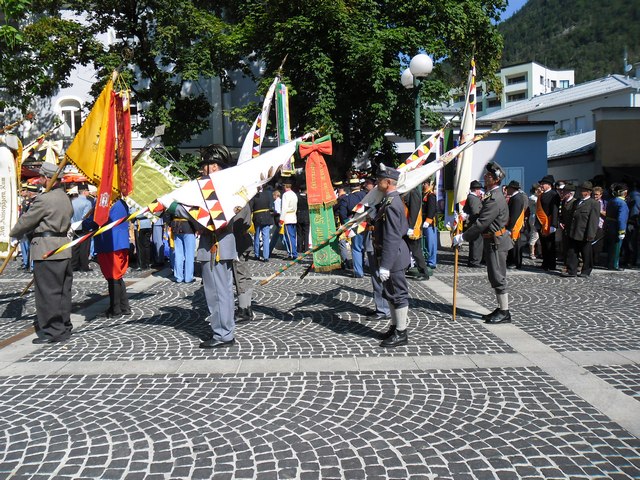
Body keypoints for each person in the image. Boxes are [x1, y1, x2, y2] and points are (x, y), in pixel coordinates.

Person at [9, 162, 74, 344]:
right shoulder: (64, 197)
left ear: (47, 178)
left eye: (42, 177)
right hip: (63, 248)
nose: (41, 180)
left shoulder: (44, 199)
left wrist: (13, 233)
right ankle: (63, 326)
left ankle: (53, 331)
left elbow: (27, 221)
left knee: (47, 292)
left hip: (47, 249)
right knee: (63, 291)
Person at [453, 161, 513, 324]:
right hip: (492, 240)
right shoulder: (491, 195)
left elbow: (482, 223)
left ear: (495, 179)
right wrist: (466, 217)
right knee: (494, 276)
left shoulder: (494, 198)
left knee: (498, 277)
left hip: (496, 242)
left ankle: (505, 311)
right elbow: (481, 215)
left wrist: (462, 237)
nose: (485, 177)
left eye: (489, 175)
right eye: (486, 174)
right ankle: (501, 308)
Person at [195, 144, 237, 349]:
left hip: (216, 246)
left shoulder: (220, 189)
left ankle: (223, 334)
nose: (204, 169)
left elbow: (212, 218)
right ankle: (225, 331)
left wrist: (178, 207)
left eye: (208, 165)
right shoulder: (221, 187)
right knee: (222, 292)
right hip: (217, 245)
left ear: (216, 167)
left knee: (217, 293)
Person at [373, 164, 412, 347]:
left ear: (388, 182)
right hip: (390, 254)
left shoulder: (392, 203)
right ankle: (395, 326)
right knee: (390, 293)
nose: (376, 182)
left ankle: (401, 333)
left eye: (379, 179)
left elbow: (393, 236)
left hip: (393, 256)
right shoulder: (388, 201)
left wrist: (385, 265)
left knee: (398, 294)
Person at [84, 198, 131, 318]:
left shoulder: (104, 200)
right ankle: (124, 306)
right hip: (121, 241)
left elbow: (96, 221)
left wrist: (84, 222)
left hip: (109, 243)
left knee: (112, 276)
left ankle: (115, 309)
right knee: (118, 275)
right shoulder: (121, 202)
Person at [363, 177, 390, 320]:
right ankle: (381, 307)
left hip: (377, 243)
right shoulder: (377, 202)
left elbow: (372, 218)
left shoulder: (383, 203)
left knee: (378, 278)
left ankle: (383, 310)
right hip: (373, 241)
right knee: (375, 278)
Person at [564, 181, 599, 277]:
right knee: (572, 252)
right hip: (574, 231)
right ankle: (572, 271)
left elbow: (593, 220)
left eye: (582, 190)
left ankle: (586, 271)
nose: (580, 192)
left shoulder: (593, 203)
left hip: (584, 232)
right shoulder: (576, 202)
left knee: (586, 254)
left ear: (588, 192)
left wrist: (591, 234)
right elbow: (572, 216)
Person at [233, 203, 255, 323]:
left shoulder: (239, 203)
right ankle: (248, 307)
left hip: (239, 243)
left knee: (240, 276)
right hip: (244, 242)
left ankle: (243, 309)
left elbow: (237, 225)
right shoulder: (245, 202)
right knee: (245, 275)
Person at [535, 174, 560, 271]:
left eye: (543, 183)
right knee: (543, 244)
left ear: (549, 185)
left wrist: (553, 224)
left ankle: (551, 264)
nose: (541, 185)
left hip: (548, 223)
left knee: (550, 245)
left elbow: (555, 210)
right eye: (541, 183)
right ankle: (545, 263)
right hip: (541, 223)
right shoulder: (541, 195)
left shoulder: (554, 195)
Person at [345, 177, 367, 278]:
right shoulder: (366, 195)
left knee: (356, 248)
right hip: (368, 224)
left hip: (356, 225)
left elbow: (343, 213)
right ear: (359, 185)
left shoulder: (348, 198)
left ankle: (359, 271)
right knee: (367, 248)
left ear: (350, 187)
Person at [605, 183, 629, 271]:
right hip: (616, 227)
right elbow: (621, 218)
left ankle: (609, 263)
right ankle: (614, 265)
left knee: (611, 247)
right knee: (616, 248)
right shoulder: (622, 203)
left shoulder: (612, 200)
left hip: (610, 226)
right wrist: (622, 231)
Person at [70, 184, 93, 272]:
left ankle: (74, 265)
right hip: (83, 226)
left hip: (74, 226)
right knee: (84, 247)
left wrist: (73, 224)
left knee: (75, 246)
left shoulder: (73, 201)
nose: (89, 193)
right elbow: (86, 216)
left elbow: (70, 214)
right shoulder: (87, 202)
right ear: (84, 192)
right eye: (88, 191)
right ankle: (84, 266)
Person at [169, 211, 196, 283]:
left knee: (178, 254)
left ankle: (178, 277)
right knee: (189, 254)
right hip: (188, 226)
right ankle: (188, 278)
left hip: (175, 226)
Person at [506, 180, 527, 270]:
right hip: (513, 225)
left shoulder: (517, 198)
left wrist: (510, 228)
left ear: (512, 189)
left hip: (515, 226)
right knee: (512, 245)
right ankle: (511, 261)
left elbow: (514, 214)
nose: (507, 190)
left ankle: (515, 262)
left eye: (508, 188)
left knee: (515, 246)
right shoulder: (515, 197)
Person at [464, 180, 484, 268]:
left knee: (476, 242)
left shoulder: (473, 198)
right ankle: (474, 261)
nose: (480, 191)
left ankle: (474, 260)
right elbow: (476, 212)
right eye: (479, 189)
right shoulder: (473, 198)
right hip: (475, 223)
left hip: (473, 222)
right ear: (476, 189)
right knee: (476, 243)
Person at [251, 186, 274, 261]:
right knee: (266, 237)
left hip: (257, 218)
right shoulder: (268, 195)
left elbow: (251, 207)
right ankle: (266, 256)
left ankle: (257, 254)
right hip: (266, 217)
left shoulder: (254, 196)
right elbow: (271, 206)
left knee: (257, 237)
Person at [421, 178, 438, 270]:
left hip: (429, 223)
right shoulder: (423, 194)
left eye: (425, 183)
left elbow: (432, 209)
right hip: (422, 221)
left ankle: (432, 261)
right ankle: (427, 259)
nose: (423, 185)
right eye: (423, 183)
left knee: (431, 243)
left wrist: (428, 221)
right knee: (425, 242)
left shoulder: (430, 195)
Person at [281, 181, 298, 259]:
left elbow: (284, 207)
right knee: (293, 236)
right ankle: (294, 252)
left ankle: (292, 254)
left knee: (289, 237)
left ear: (285, 186)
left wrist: (281, 219)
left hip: (287, 217)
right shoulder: (294, 194)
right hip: (293, 216)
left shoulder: (285, 195)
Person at [591, 186, 607, 267]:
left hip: (600, 226)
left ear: (601, 195)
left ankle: (596, 259)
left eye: (597, 194)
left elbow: (607, 214)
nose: (595, 196)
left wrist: (600, 211)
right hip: (591, 226)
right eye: (594, 194)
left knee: (598, 245)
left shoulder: (604, 203)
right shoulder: (590, 202)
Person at [527, 183, 541, 259]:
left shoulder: (536, 197)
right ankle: (531, 253)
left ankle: (540, 252)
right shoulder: (532, 198)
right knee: (534, 234)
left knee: (539, 235)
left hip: (538, 217)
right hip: (534, 217)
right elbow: (538, 202)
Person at [296, 184, 310, 255]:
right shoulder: (308, 197)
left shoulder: (297, 196)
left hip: (299, 215)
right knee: (306, 233)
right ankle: (306, 248)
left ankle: (299, 248)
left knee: (299, 233)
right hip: (307, 215)